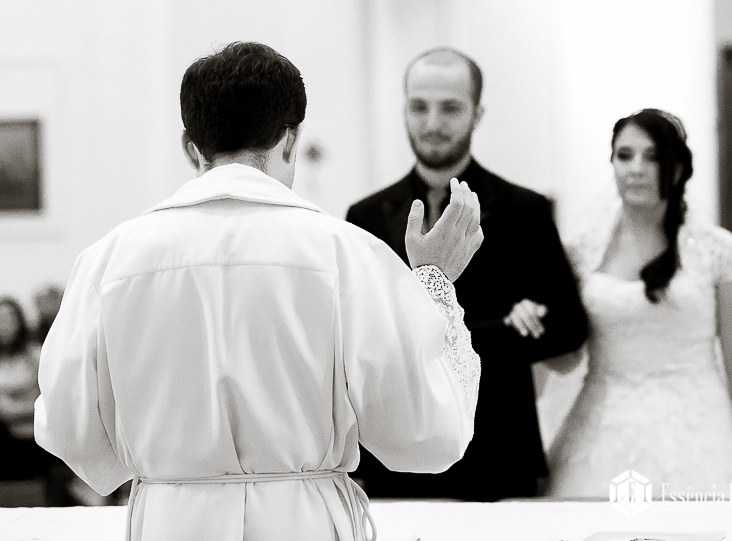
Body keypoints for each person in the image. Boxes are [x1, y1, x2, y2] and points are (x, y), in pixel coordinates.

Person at [34, 41, 484, 541]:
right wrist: (433, 285)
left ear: (191, 148)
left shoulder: (108, 261)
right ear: (290, 141)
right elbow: (423, 436)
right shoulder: (344, 253)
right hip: (301, 521)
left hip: (170, 522)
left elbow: (68, 427)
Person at [346, 47, 587, 501]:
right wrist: (502, 329)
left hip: (499, 453)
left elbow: (569, 328)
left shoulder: (526, 212)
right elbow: (357, 336)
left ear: (478, 113)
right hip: (396, 456)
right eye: (419, 106)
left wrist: (437, 335)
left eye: (451, 108)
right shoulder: (366, 216)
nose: (432, 123)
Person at [543, 109, 732, 498]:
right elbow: (566, 355)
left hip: (697, 432)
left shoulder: (719, 251)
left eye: (653, 157)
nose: (636, 168)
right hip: (601, 432)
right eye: (624, 155)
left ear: (678, 169)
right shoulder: (580, 252)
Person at [0, 296, 45, 484]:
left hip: (37, 432)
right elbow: (4, 411)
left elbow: (47, 401)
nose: (5, 324)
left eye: (10, 318)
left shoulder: (36, 355)